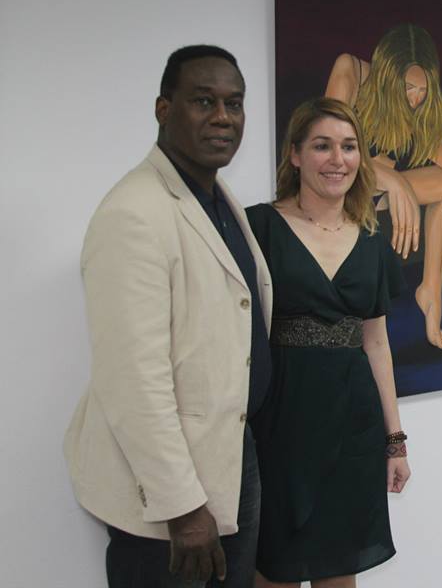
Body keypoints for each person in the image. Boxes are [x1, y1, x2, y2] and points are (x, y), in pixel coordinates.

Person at [63, 45, 273, 588]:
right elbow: (132, 379)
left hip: (232, 458)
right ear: (164, 109)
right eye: (203, 101)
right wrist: (181, 507)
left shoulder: (216, 196)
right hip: (171, 495)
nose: (223, 117)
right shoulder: (132, 212)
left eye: (234, 103)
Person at [246, 97, 410, 588]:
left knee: (339, 571)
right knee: (272, 569)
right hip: (279, 424)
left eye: (349, 146)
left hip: (352, 427)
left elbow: (376, 344)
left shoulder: (371, 237)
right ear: (295, 154)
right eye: (322, 146)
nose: (338, 160)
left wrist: (395, 442)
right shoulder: (259, 228)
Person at [325, 23, 442, 349]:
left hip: (371, 192)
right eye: (409, 88)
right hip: (335, 194)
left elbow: (433, 147)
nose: (416, 99)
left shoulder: (408, 107)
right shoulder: (350, 72)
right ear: (389, 76)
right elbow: (329, 154)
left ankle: (430, 290)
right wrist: (392, 180)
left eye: (423, 91)